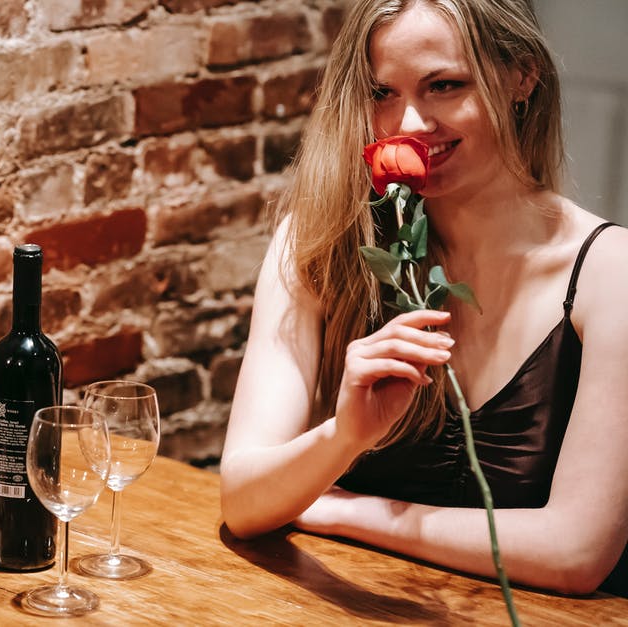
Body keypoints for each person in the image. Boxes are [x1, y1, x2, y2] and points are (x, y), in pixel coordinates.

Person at [219, 0, 628, 596]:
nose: (409, 122)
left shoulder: (610, 272)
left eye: (444, 85)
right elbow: (244, 500)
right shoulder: (317, 241)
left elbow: (575, 552)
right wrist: (344, 435)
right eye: (382, 93)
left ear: (522, 76)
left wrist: (337, 507)